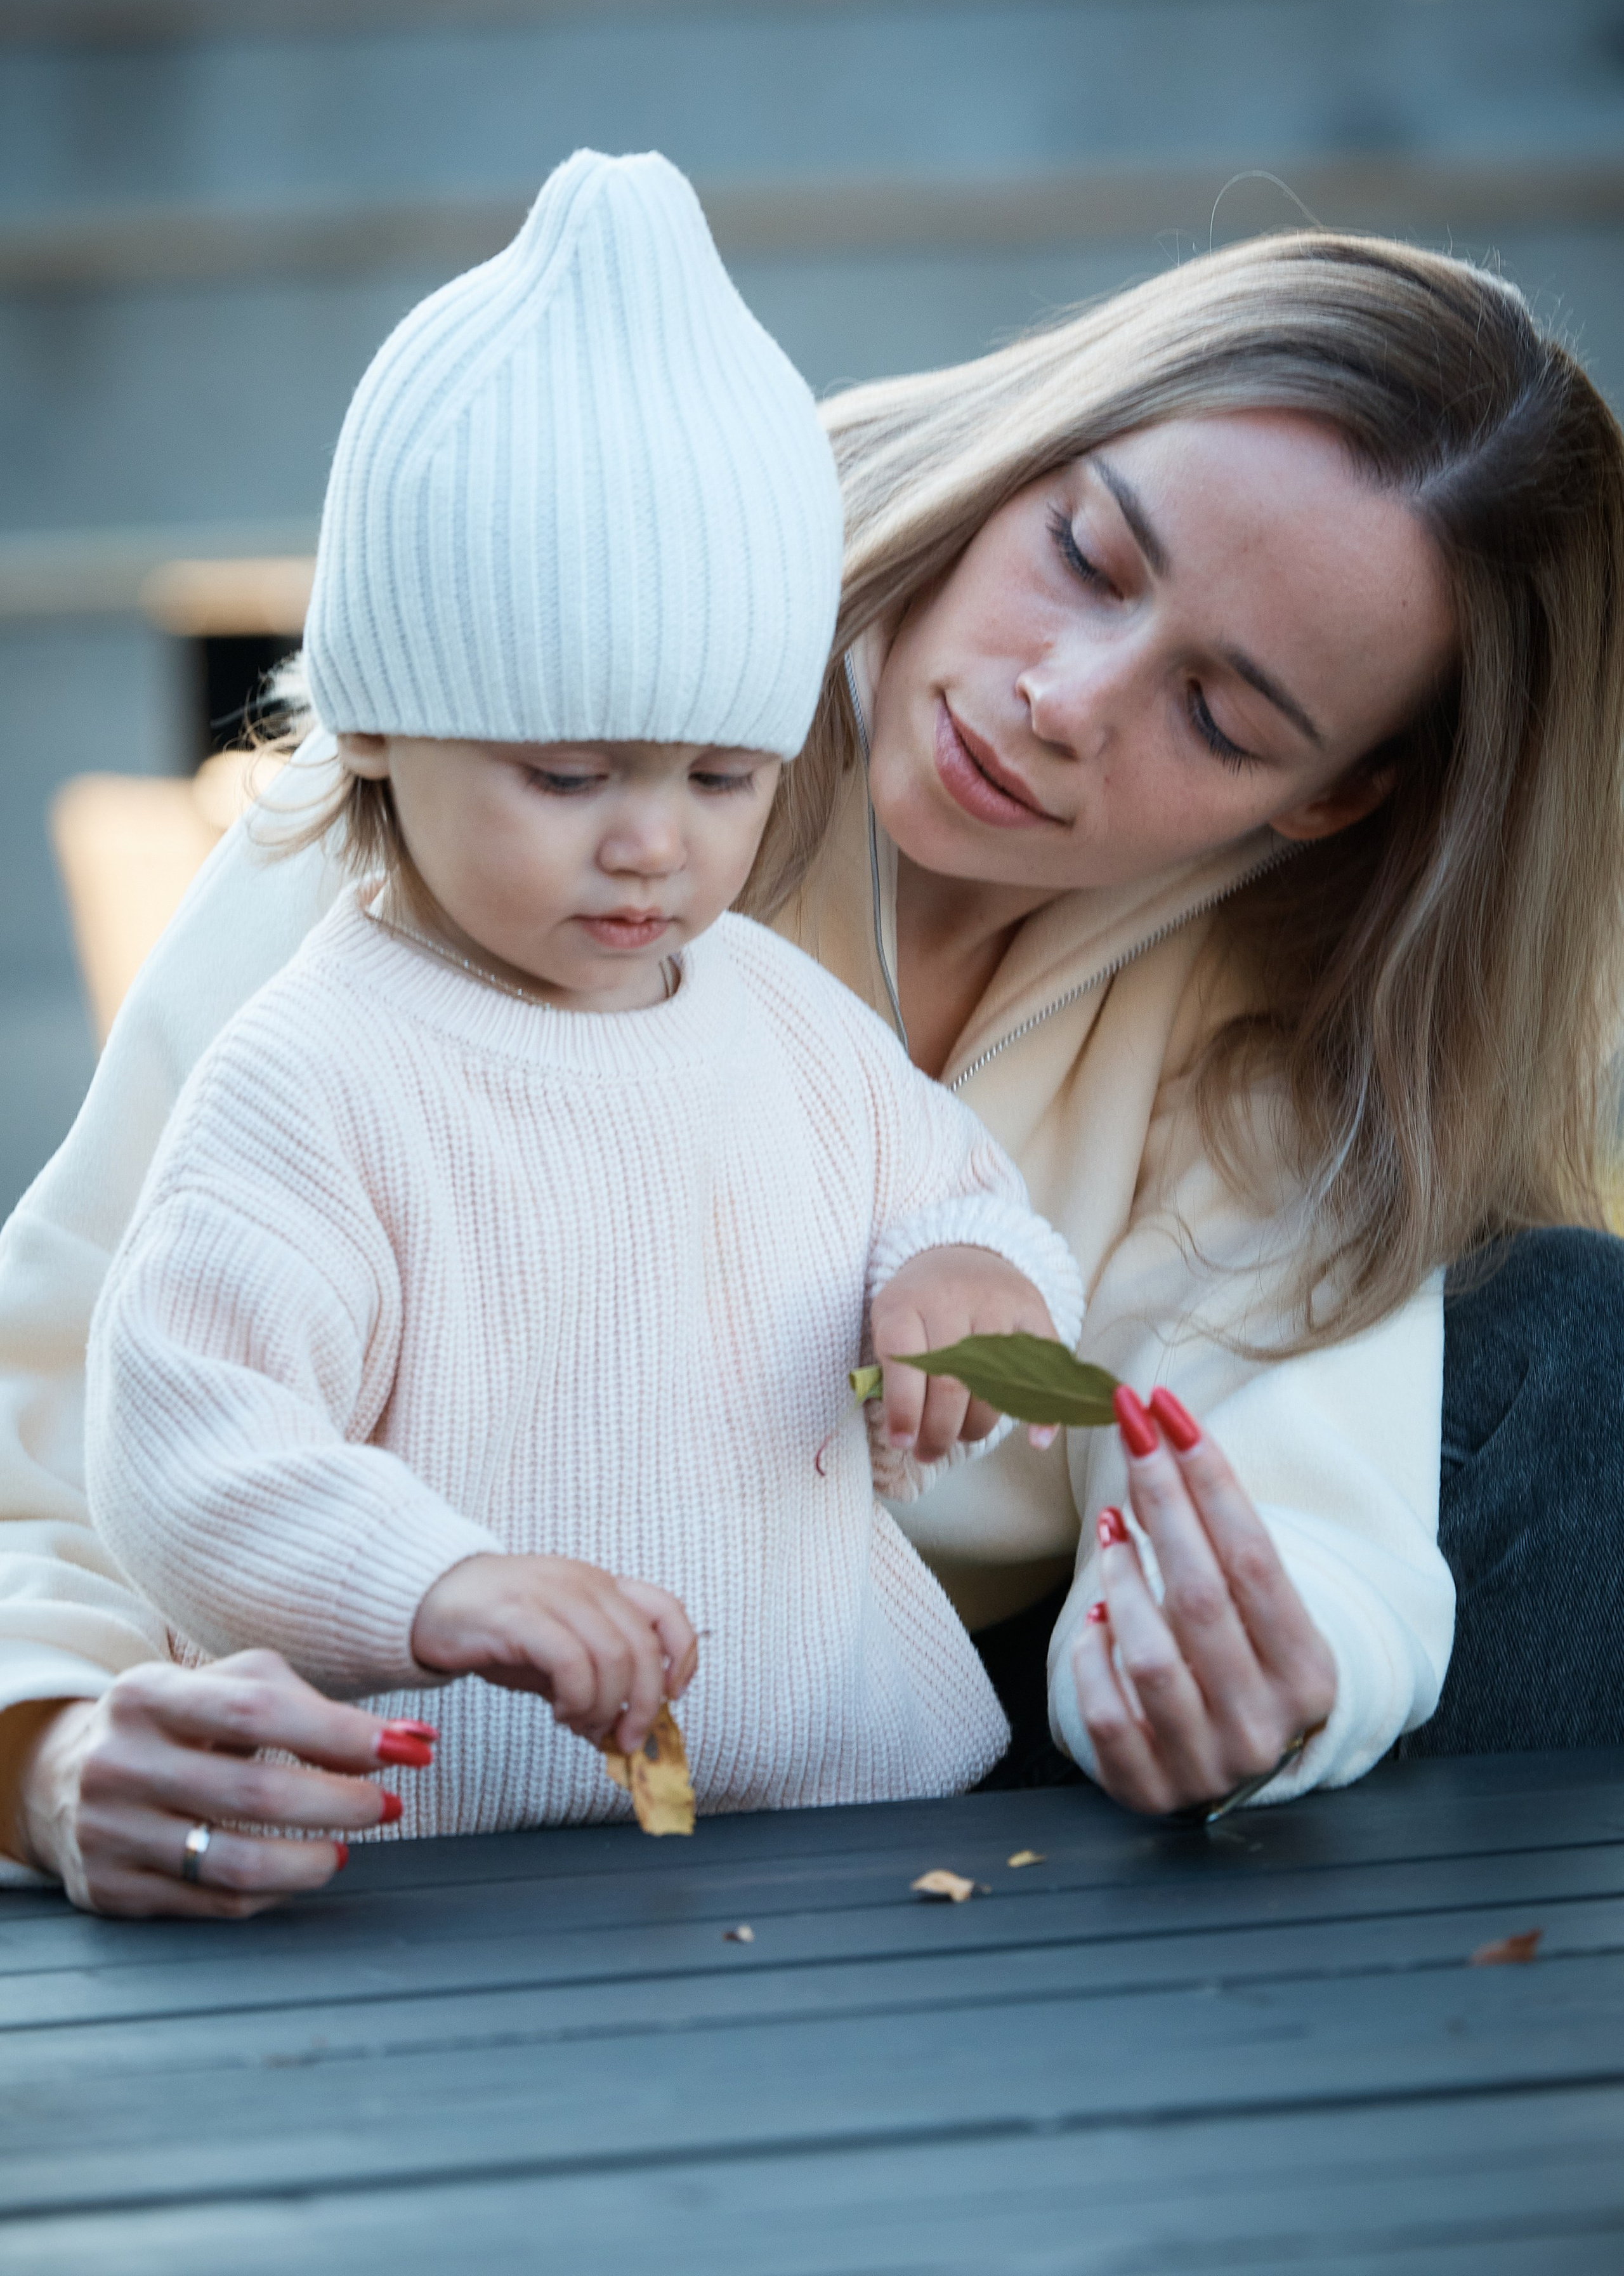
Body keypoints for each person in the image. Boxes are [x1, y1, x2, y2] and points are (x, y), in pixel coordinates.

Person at [3, 202, 1621, 1915]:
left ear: (1332, 796)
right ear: (1024, 458)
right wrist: (51, 1750)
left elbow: (1284, 1475)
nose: (1064, 698)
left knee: (1575, 1347)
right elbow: (76, 1389)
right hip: (454, 1745)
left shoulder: (1280, 1016)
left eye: (1220, 716)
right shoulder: (459, 789)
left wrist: (1252, 1684)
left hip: (927, 1763)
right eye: (1084, 554)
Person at [72, 150, 1088, 1891]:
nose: (651, 840)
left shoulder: (788, 1019)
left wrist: (971, 1287)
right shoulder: (320, 1071)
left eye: (719, 773)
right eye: (564, 771)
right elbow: (185, 1434)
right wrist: (433, 1585)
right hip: (467, 1866)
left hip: (873, 1818)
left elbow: (968, 1196)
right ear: (380, 723)